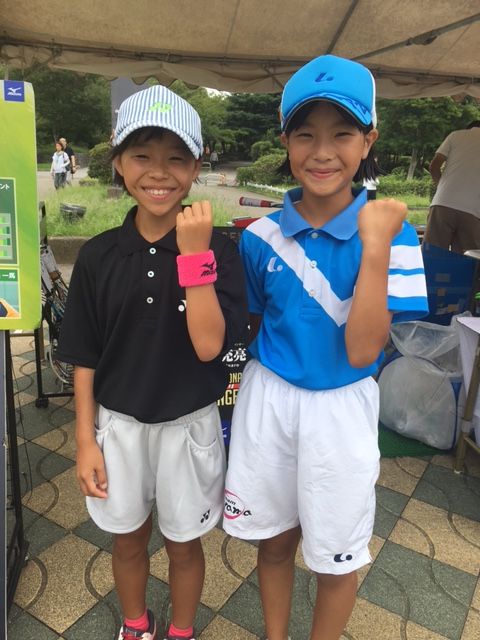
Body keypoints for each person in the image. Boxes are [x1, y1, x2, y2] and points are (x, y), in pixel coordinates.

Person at [223, 54, 429, 640]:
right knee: (274, 543)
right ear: (285, 141)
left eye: (342, 133)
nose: (322, 151)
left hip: (342, 407)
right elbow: (253, 325)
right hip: (269, 399)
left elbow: (364, 352)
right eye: (305, 134)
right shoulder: (259, 237)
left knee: (337, 557)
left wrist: (374, 244)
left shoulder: (395, 234)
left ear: (368, 141)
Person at [56, 85, 248, 640]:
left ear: (196, 168)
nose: (159, 172)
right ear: (118, 162)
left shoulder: (219, 250)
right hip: (117, 426)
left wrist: (195, 257)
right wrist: (85, 439)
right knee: (127, 539)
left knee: (185, 545)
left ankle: (181, 631)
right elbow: (84, 356)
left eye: (176, 158)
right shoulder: (98, 255)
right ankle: (136, 626)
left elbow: (210, 347)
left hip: (189, 424)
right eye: (142, 155)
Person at [423, 121, 480, 253]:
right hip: (473, 211)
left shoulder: (455, 135)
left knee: (433, 253)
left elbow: (434, 166)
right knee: (468, 257)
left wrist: (441, 187)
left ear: (468, 129)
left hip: (443, 203)